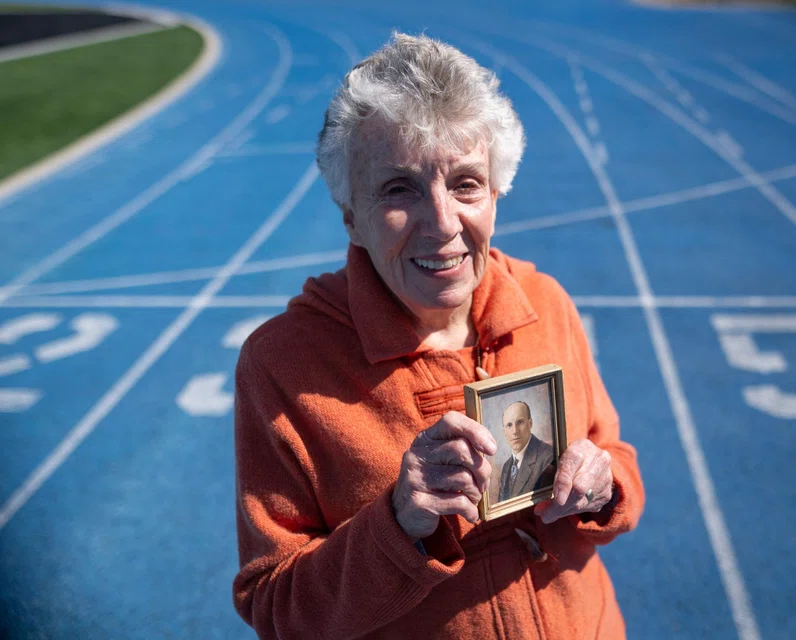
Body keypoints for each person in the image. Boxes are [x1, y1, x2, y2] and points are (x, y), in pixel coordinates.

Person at [232, 32, 644, 640]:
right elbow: (276, 606)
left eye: (466, 183)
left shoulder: (547, 303)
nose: (443, 224)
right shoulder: (283, 365)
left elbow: (617, 457)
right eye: (399, 189)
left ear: (497, 193)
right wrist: (397, 525)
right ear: (350, 213)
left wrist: (604, 482)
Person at [498, 401, 555, 501]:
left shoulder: (548, 458)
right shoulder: (507, 466)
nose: (515, 431)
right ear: (504, 431)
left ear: (530, 424)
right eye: (509, 425)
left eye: (520, 422)